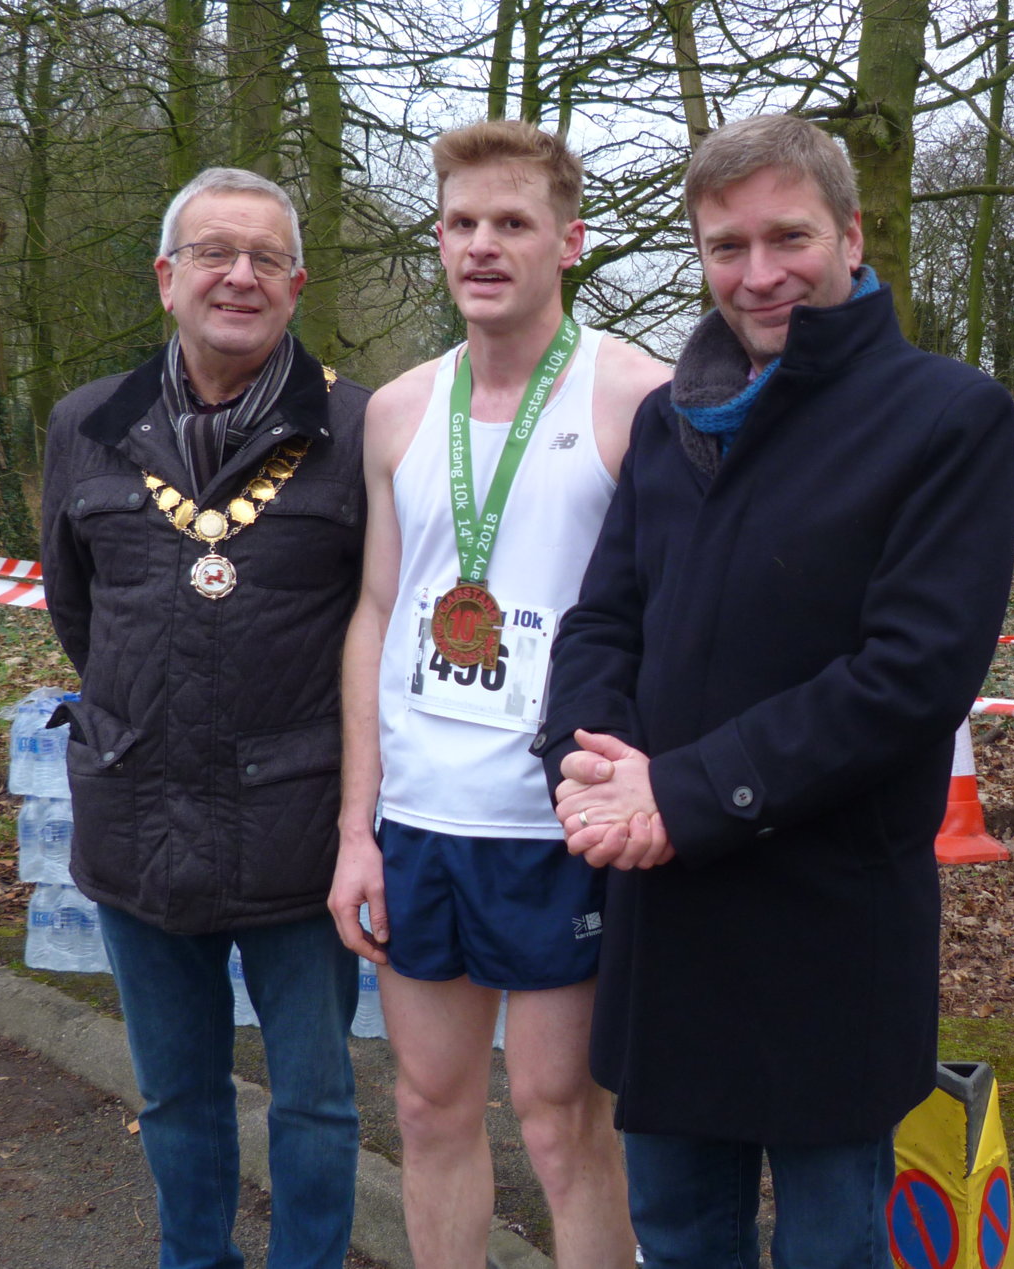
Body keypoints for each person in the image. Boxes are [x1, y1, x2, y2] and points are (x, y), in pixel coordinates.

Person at [539, 115, 1014, 1266]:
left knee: (832, 1247)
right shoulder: (669, 421)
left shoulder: (947, 417)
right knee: (679, 1240)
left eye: (786, 237)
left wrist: (683, 797)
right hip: (667, 925)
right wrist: (589, 764)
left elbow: (911, 674)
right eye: (724, 246)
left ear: (850, 236)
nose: (757, 275)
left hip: (827, 929)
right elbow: (604, 615)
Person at [329, 120, 665, 1268]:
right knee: (426, 1110)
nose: (483, 245)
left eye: (511, 223)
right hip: (422, 817)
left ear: (568, 240)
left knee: (563, 1124)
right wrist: (353, 829)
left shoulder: (634, 398)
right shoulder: (395, 412)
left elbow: (672, 624)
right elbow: (375, 613)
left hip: (558, 824)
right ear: (436, 240)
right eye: (462, 223)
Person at [41, 167, 370, 1269]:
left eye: (265, 257)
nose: (239, 275)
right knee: (175, 1092)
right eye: (214, 253)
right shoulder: (85, 423)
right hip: (136, 815)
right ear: (165, 278)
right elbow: (77, 612)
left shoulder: (361, 430)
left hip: (299, 829)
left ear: (296, 283)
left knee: (316, 1102)